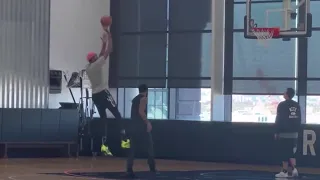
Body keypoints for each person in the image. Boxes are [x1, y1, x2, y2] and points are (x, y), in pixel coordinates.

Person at [85, 29, 125, 156]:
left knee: (103, 120)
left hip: (95, 96)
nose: (98, 56)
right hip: (103, 93)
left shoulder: (89, 67)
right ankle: (124, 139)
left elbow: (101, 53)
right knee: (116, 113)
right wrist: (110, 37)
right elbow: (109, 51)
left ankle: (104, 145)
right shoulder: (97, 65)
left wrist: (103, 43)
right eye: (96, 57)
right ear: (94, 59)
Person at [126, 84, 156, 178]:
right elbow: (141, 111)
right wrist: (147, 122)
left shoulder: (135, 99)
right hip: (141, 127)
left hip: (133, 127)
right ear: (146, 91)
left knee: (132, 149)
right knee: (149, 146)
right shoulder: (144, 98)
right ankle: (152, 168)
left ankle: (129, 169)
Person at [274, 88, 301, 178]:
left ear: (287, 94)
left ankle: (284, 171)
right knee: (291, 152)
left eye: (284, 92)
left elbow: (279, 119)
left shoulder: (282, 105)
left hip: (284, 133)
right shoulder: (297, 105)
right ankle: (294, 170)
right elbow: (299, 119)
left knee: (284, 152)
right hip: (294, 133)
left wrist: (277, 131)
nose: (283, 93)